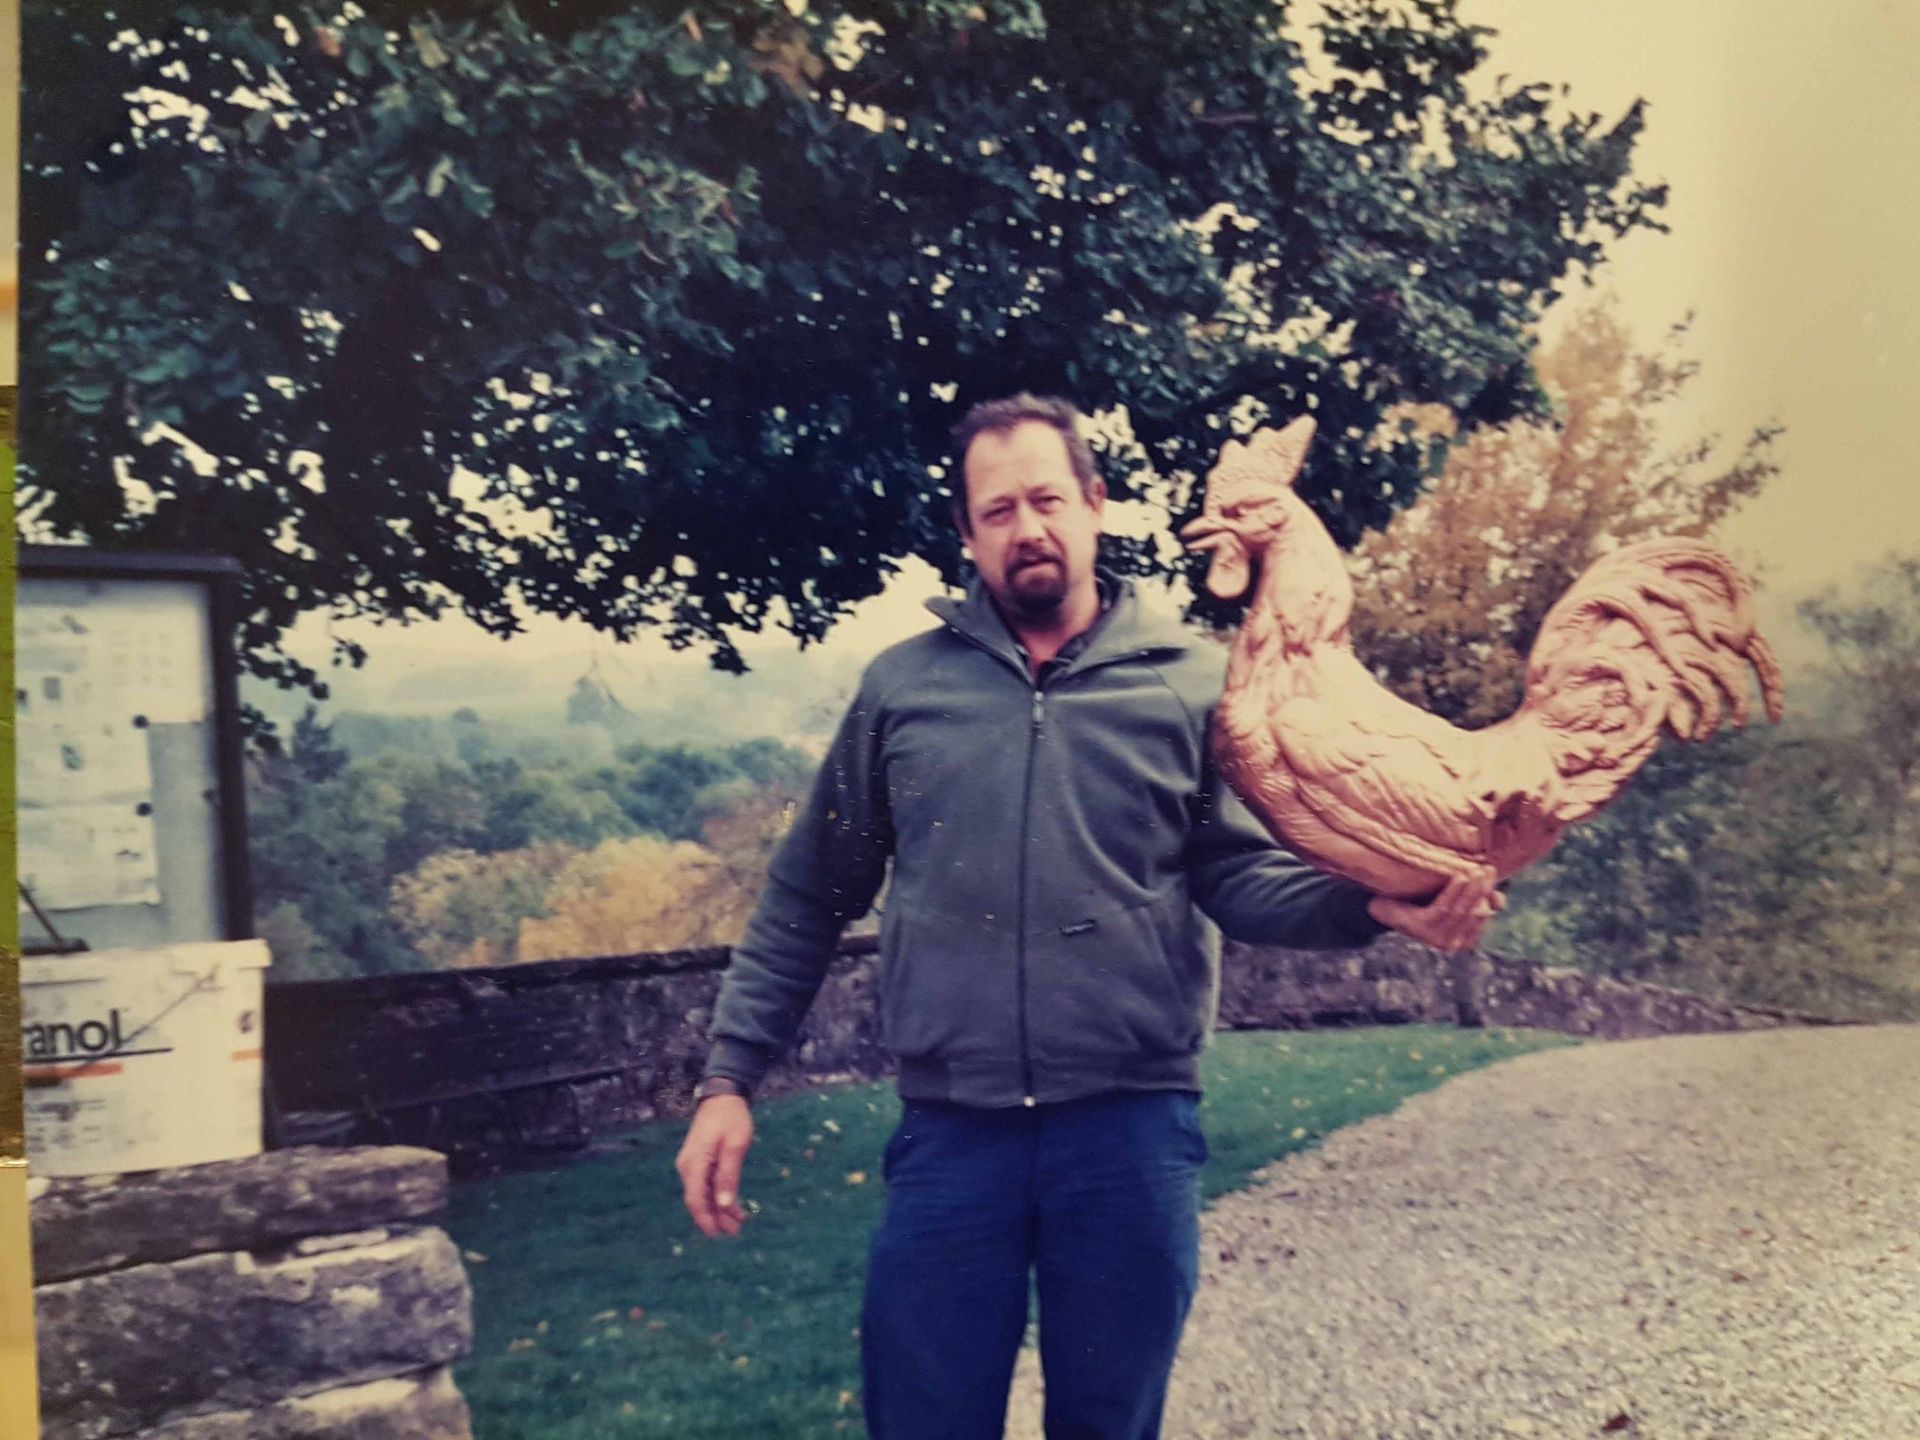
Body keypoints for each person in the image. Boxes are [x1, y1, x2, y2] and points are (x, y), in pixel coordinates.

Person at [676, 394, 1500, 1439]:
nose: (1028, 527)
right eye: (998, 510)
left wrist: (1371, 905)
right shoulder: (902, 691)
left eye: (1048, 499)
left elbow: (1237, 875)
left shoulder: (1197, 685)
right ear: (968, 533)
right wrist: (729, 1081)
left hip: (1130, 1133)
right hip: (952, 1137)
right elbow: (808, 894)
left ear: (1096, 503)